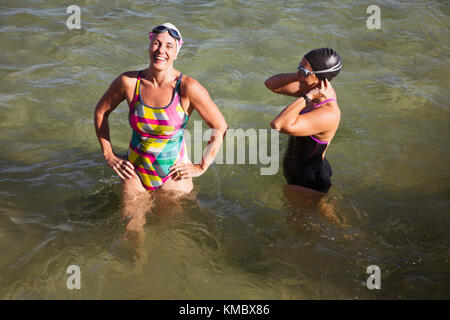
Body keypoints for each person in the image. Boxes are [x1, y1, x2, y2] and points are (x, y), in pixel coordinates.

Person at [94, 23, 227, 235]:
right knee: (131, 236)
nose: (161, 50)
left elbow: (220, 126)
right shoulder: (129, 82)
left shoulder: (187, 87)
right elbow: (101, 112)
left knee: (170, 236)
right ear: (149, 46)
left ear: (176, 52)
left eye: (168, 46)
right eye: (156, 43)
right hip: (135, 173)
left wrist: (202, 165)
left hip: (173, 178)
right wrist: (109, 155)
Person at [265, 48, 342, 198]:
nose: (299, 75)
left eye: (305, 72)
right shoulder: (311, 88)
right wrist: (301, 74)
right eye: (298, 68)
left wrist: (307, 97)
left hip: (308, 182)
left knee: (309, 221)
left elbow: (278, 125)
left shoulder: (327, 113)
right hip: (301, 173)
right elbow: (271, 84)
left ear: (320, 78)